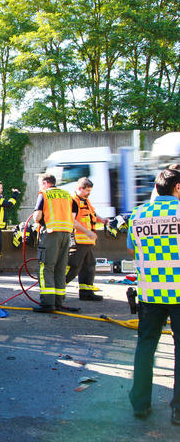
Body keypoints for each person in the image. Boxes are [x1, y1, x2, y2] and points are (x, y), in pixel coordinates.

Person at [128, 167, 180, 424]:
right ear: (178, 188)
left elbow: (131, 249)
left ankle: (140, 403)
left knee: (146, 346)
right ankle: (179, 410)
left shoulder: (138, 214)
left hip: (149, 292)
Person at [33, 173, 74, 313]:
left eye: (40, 183)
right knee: (60, 268)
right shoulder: (67, 195)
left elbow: (37, 216)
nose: (40, 186)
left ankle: (47, 303)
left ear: (45, 183)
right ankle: (58, 301)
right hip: (66, 234)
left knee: (46, 267)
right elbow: (73, 215)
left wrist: (36, 219)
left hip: (51, 234)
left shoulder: (44, 194)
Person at [65, 177, 109, 301]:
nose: (89, 193)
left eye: (90, 190)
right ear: (80, 188)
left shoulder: (85, 200)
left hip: (86, 241)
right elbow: (72, 221)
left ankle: (86, 292)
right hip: (78, 240)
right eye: (87, 190)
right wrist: (88, 232)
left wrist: (103, 220)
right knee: (73, 266)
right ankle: (58, 289)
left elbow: (92, 215)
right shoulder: (74, 201)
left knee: (88, 266)